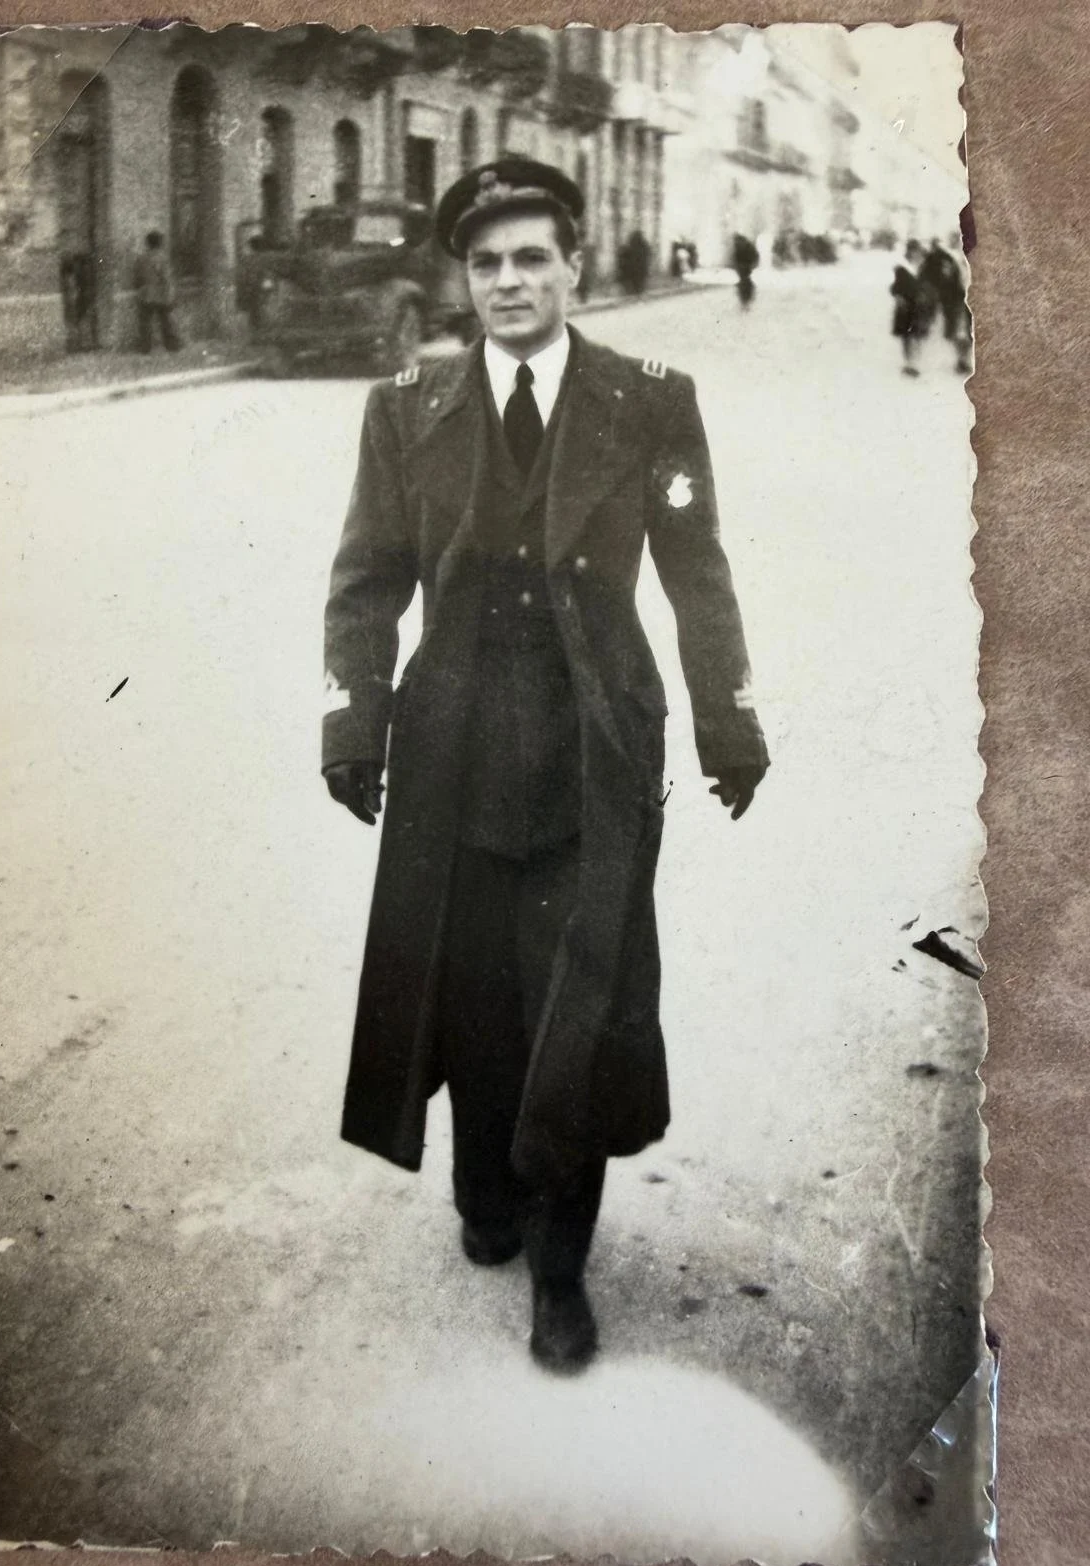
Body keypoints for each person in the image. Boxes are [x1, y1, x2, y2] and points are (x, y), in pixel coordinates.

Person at [321, 158, 768, 1375]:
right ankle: (485, 1188)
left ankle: (561, 1271)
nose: (509, 282)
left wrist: (729, 719)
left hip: (593, 749)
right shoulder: (407, 405)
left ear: (575, 265)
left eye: (531, 258)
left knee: (579, 1004)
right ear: (462, 280)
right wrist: (353, 721)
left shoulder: (648, 400)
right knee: (474, 999)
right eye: (486, 263)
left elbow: (697, 572)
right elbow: (367, 578)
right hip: (453, 750)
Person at [919, 237, 972, 374]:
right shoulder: (948, 259)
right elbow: (942, 279)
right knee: (958, 331)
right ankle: (962, 360)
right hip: (956, 299)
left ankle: (963, 360)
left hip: (970, 299)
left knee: (968, 331)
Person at [133, 230, 180, 354]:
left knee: (145, 322)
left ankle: (145, 348)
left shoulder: (141, 258)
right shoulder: (162, 258)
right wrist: (171, 294)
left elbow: (137, 277)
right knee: (166, 321)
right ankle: (172, 346)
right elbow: (166, 277)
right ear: (160, 243)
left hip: (145, 293)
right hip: (161, 293)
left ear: (147, 243)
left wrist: (140, 289)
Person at [891, 239, 929, 376]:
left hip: (919, 306)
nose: (915, 254)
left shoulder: (923, 268)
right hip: (905, 307)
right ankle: (908, 363)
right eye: (913, 251)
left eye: (917, 251)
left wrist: (926, 296)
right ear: (909, 252)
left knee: (917, 335)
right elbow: (895, 287)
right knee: (906, 336)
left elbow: (928, 286)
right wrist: (898, 298)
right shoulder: (901, 268)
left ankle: (915, 363)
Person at [731, 233, 759, 308]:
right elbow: (735, 257)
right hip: (745, 266)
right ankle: (745, 299)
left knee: (744, 281)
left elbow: (754, 255)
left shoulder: (743, 245)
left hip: (745, 266)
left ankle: (745, 299)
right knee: (744, 281)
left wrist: (738, 265)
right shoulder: (743, 245)